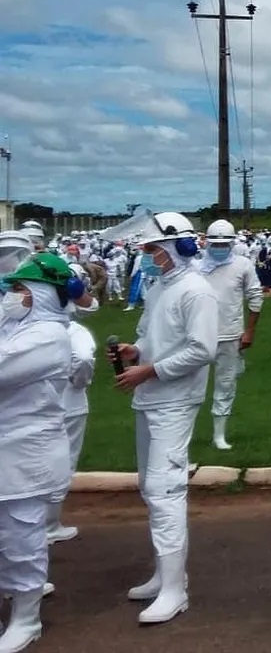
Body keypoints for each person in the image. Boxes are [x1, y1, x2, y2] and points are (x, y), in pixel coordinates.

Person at [112, 212, 219, 625]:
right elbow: (149, 336)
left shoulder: (196, 291)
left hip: (175, 399)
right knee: (149, 485)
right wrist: (135, 352)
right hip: (149, 395)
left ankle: (176, 590)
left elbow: (202, 349)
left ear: (179, 246)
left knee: (165, 488)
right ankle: (164, 574)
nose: (148, 257)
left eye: (154, 249)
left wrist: (150, 370)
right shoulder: (160, 288)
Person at [0, 254, 76, 653]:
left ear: (43, 294)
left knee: (21, 536)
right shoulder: (14, 327)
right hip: (7, 446)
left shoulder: (49, 336)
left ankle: (26, 618)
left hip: (25, 450)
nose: (10, 296)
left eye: (18, 289)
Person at [196, 219, 264, 451]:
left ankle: (219, 434)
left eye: (224, 244)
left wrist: (250, 331)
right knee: (190, 386)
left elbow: (255, 296)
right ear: (207, 243)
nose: (219, 248)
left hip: (229, 333)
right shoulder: (195, 268)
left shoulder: (243, 265)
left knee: (225, 385)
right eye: (215, 243)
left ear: (232, 243)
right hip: (197, 336)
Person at [46, 316, 97, 544]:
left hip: (34, 405)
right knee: (62, 465)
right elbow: (84, 359)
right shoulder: (73, 330)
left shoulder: (26, 326)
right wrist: (78, 382)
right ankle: (49, 526)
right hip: (70, 404)